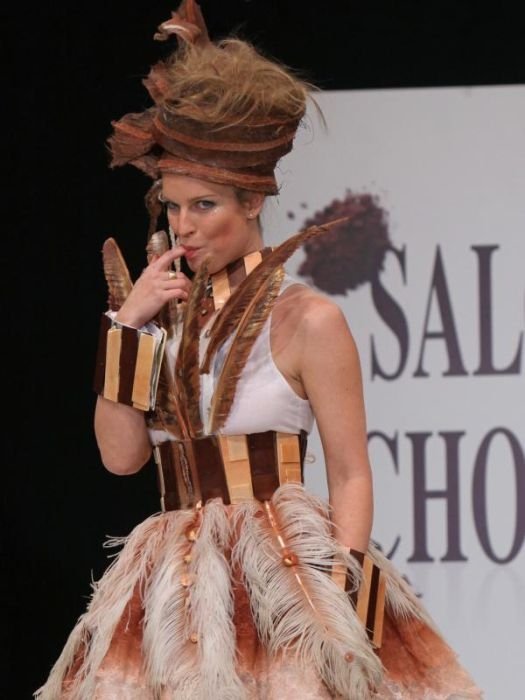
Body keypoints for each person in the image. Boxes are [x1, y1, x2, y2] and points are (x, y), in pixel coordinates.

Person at [35, 2, 482, 698]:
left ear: (249, 202)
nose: (183, 226)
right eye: (173, 205)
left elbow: (350, 473)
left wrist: (344, 609)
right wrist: (126, 326)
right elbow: (121, 458)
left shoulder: (308, 318)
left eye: (203, 206)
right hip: (175, 588)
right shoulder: (157, 317)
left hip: (285, 577)